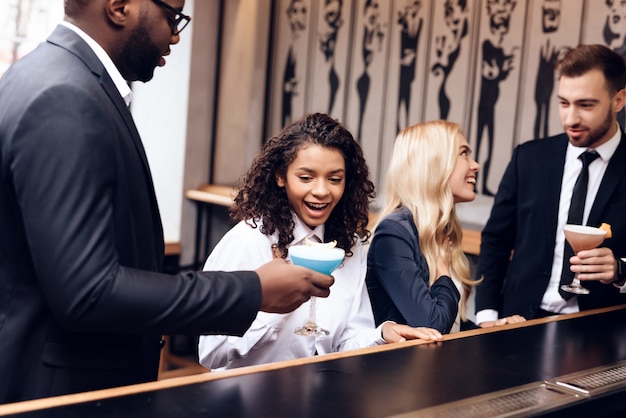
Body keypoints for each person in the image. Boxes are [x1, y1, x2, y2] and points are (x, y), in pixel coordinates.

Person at [0, 0, 334, 404]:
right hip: (62, 392)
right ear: (119, 7)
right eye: (173, 16)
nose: (176, 35)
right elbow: (88, 292)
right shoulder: (65, 95)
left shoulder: (46, 76)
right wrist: (252, 290)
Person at [198, 113, 443, 370]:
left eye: (335, 179)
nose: (322, 191)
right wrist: (273, 311)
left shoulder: (349, 246)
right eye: (306, 178)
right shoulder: (248, 242)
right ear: (280, 176)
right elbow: (211, 353)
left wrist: (382, 333)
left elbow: (345, 342)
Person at [475, 44, 626, 327]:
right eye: (564, 103)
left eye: (586, 105)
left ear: (619, 101)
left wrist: (621, 269)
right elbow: (496, 240)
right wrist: (487, 316)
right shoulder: (528, 159)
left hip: (601, 331)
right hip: (517, 322)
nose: (571, 119)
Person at [366, 120, 501, 334]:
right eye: (464, 153)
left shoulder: (442, 231)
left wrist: (492, 330)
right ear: (434, 164)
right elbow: (433, 325)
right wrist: (443, 271)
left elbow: (452, 322)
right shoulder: (394, 234)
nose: (475, 165)